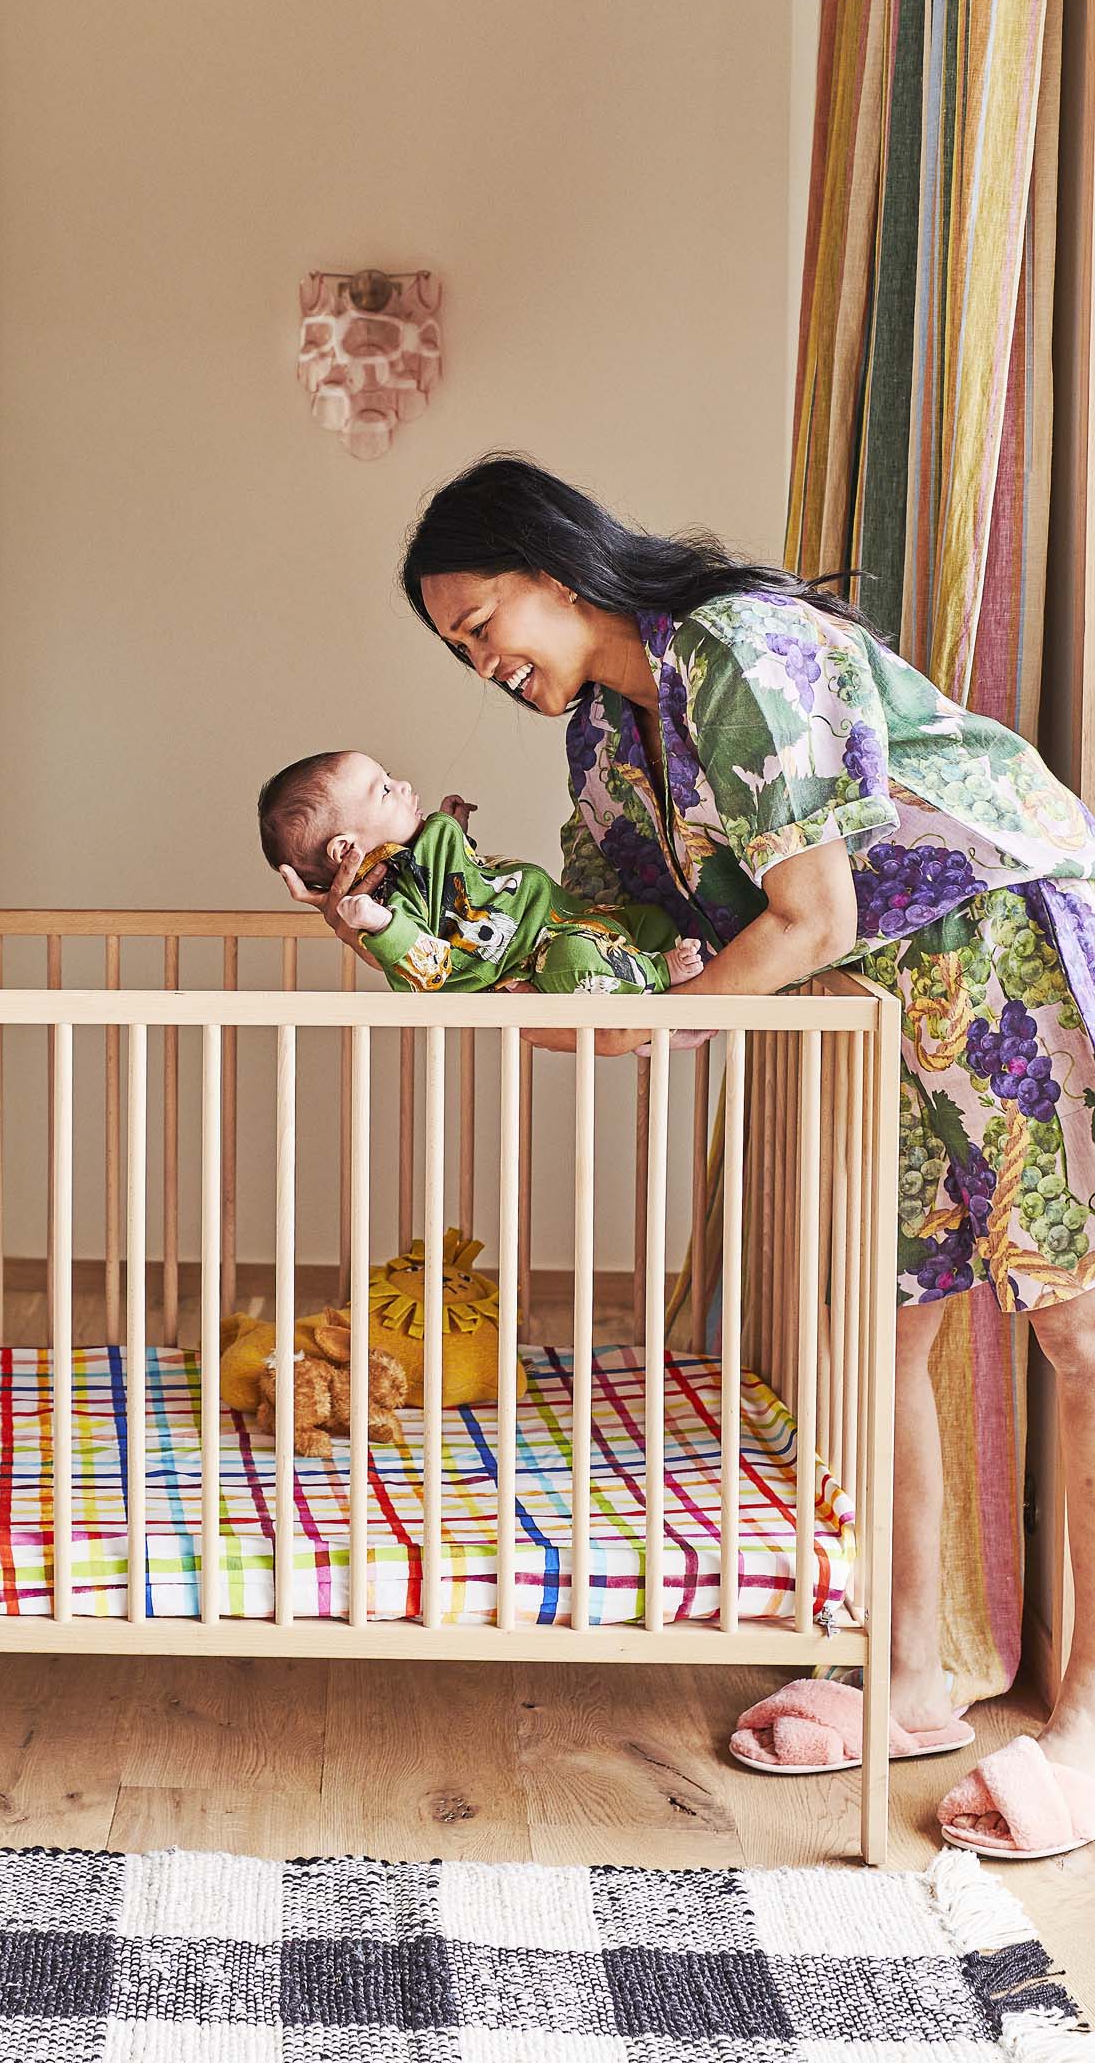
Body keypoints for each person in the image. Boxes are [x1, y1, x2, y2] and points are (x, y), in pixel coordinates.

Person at [280, 453, 1095, 1860]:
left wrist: (661, 1024)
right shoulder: (602, 737)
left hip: (998, 938)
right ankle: (910, 1676)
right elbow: (601, 959)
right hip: (876, 1006)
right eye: (455, 648)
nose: (478, 664)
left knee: (1079, 1336)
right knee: (888, 1329)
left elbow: (812, 909)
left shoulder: (738, 645)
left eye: (481, 627)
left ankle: (1089, 1725)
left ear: (556, 570)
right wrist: (421, 949)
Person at [257, 748, 703, 994]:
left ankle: (648, 966)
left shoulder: (424, 842)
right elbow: (425, 960)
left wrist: (457, 828)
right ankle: (658, 974)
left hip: (564, 913)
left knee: (650, 920)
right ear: (345, 848)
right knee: (577, 963)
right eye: (385, 790)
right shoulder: (389, 896)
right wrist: (380, 924)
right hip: (536, 952)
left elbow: (461, 879)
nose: (405, 784)